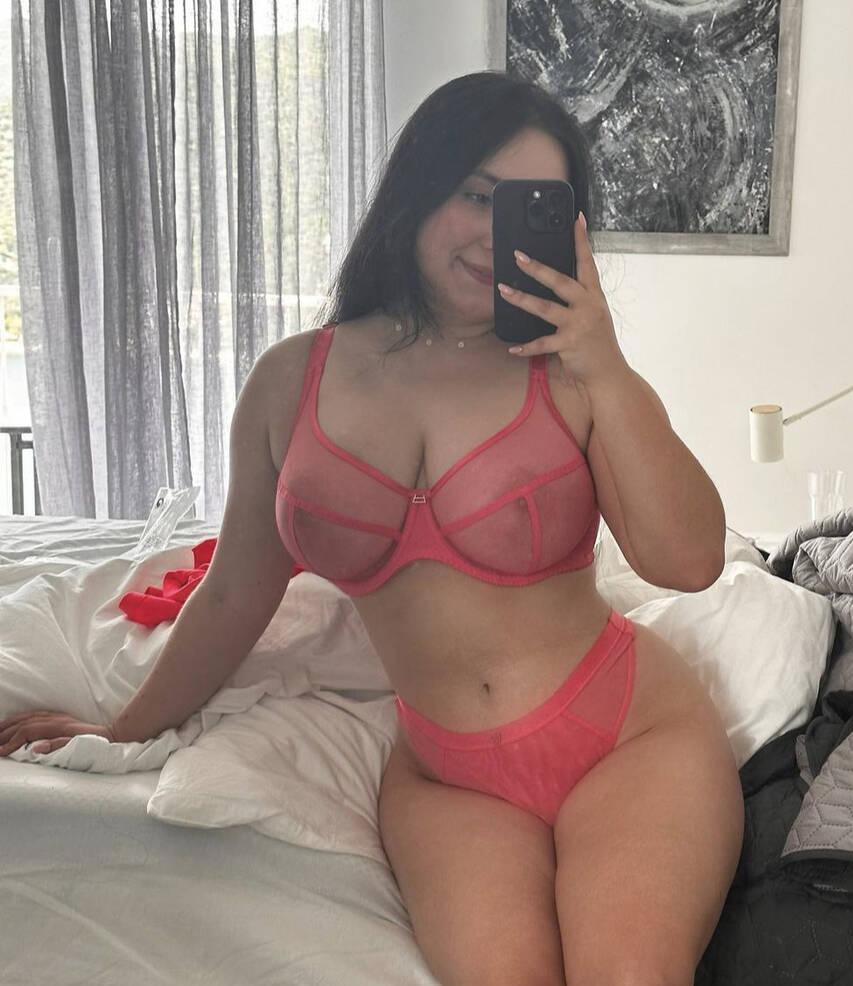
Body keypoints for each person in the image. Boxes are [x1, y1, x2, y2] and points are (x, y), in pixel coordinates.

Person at [0, 71, 743, 986]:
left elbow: (690, 561)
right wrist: (123, 732)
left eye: (528, 209)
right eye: (477, 195)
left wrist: (608, 365)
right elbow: (235, 593)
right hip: (449, 780)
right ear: (418, 188)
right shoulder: (290, 381)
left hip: (629, 736)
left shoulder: (573, 374)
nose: (494, 233)